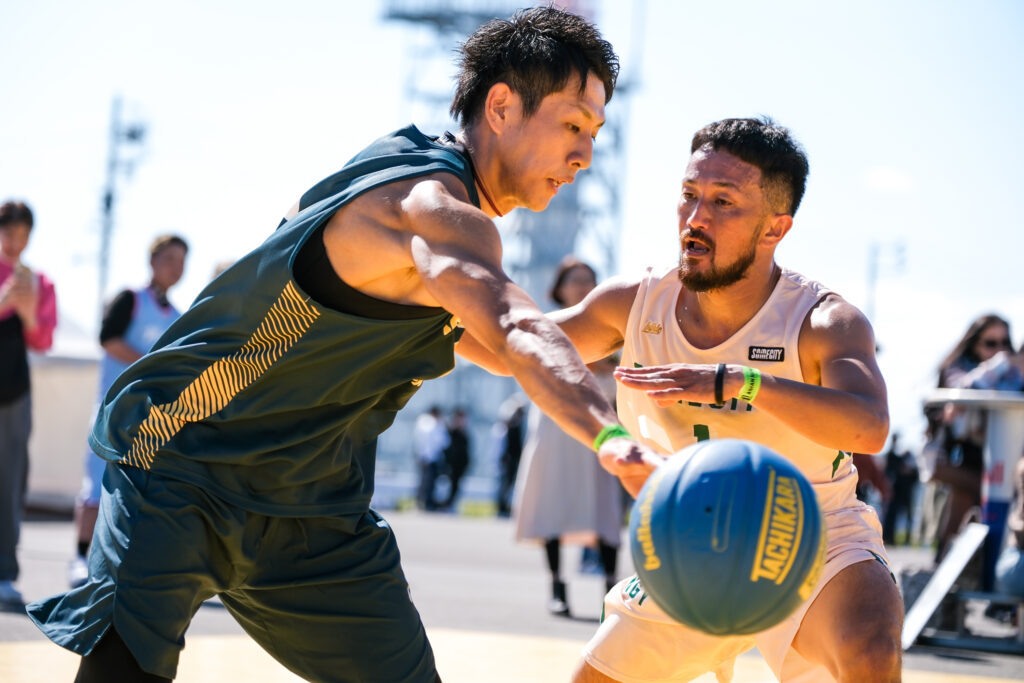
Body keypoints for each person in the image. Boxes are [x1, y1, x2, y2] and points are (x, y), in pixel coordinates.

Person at [26, 8, 659, 682]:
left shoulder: (442, 225)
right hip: (186, 465)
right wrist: (611, 439)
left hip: (313, 511)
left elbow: (517, 346)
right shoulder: (428, 205)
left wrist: (644, 312)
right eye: (572, 125)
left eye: (595, 133)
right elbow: (517, 329)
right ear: (501, 106)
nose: (585, 155)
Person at [463, 117, 903, 681]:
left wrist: (743, 382)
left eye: (723, 202)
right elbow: (510, 350)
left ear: (775, 228)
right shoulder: (634, 302)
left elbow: (869, 426)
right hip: (691, 540)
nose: (696, 218)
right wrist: (404, 308)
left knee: (872, 648)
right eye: (690, 195)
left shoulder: (822, 319)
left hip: (813, 530)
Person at [69, 235, 189, 588]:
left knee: (136, 494)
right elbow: (109, 339)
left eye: (182, 261)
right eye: (170, 258)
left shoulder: (179, 317)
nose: (176, 267)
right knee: (96, 486)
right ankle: (80, 557)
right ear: (152, 260)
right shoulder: (129, 299)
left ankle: (118, 565)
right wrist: (149, 363)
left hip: (150, 420)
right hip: (113, 410)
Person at [513, 256, 623, 616]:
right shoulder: (542, 324)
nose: (581, 286)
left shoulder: (609, 328)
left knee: (604, 508)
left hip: (598, 421)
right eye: (574, 279)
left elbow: (620, 375)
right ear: (559, 287)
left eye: (588, 279)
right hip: (555, 424)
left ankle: (611, 589)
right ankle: (557, 586)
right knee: (554, 503)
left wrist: (603, 365)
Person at [927, 314, 1023, 561]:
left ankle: (958, 564)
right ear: (974, 344)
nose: (999, 350)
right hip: (959, 458)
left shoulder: (1012, 372)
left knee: (991, 494)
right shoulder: (959, 368)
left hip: (1001, 458)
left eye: (1005, 343)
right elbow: (965, 388)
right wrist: (1001, 364)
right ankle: (947, 565)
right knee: (974, 492)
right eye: (991, 343)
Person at [0, 200, 57, 610]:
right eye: (9, 233)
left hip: (14, 391)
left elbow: (43, 341)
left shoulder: (40, 282)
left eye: (23, 235)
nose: (16, 242)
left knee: (10, 483)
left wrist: (29, 313)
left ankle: (4, 571)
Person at [881, 432, 917, 546]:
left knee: (899, 515)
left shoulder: (898, 457)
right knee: (891, 515)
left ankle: (902, 538)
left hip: (901, 491)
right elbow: (889, 472)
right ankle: (888, 537)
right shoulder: (892, 456)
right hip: (894, 490)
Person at [413, 405, 449, 511]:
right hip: (430, 457)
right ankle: (425, 502)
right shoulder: (434, 424)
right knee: (428, 482)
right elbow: (443, 442)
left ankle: (422, 501)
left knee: (424, 481)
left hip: (423, 456)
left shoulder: (421, 422)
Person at [494, 397, 526, 517]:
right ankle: (501, 505)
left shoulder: (518, 425)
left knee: (509, 483)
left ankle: (504, 505)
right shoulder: (512, 426)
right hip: (510, 460)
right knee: (505, 483)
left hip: (513, 459)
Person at [441, 408, 471, 510]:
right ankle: (445, 503)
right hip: (452, 463)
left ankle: (450, 503)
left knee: (456, 485)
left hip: (461, 464)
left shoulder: (464, 433)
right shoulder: (452, 432)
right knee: (449, 483)